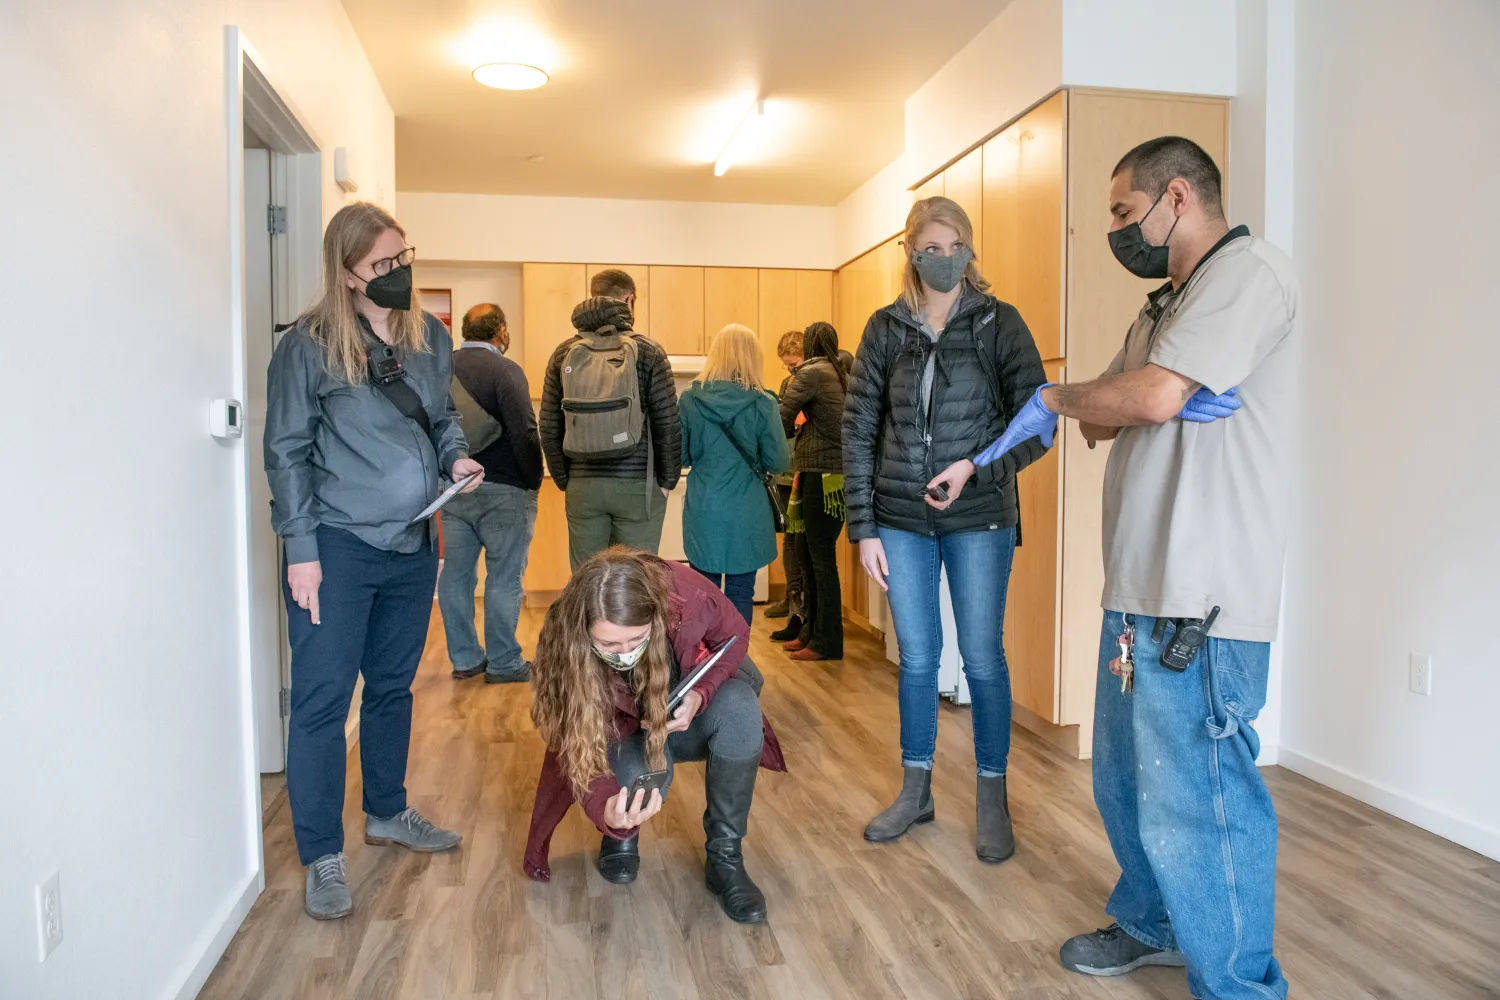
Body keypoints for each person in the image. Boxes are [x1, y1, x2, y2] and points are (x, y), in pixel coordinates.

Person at [974, 137, 1295, 999]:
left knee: (1204, 799)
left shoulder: (1247, 276)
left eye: (1124, 213)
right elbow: (1105, 420)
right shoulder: (1163, 308)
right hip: (1139, 588)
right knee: (1127, 784)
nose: (1117, 230)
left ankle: (1239, 984)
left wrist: (1080, 394)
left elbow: (1141, 399)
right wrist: (1101, 399)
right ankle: (1152, 924)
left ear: (1177, 197)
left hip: (1206, 595)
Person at [265, 202, 480, 920]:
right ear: (348, 273)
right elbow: (287, 454)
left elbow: (444, 416)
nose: (398, 274)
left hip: (414, 546)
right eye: (383, 265)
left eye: (402, 258)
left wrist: (455, 455)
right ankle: (323, 854)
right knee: (323, 704)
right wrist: (301, 553)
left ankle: (387, 811)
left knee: (392, 689)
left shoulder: (429, 338)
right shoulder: (307, 347)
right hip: (337, 549)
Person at [843, 196, 1049, 863]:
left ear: (969, 248)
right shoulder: (884, 329)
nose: (941, 257)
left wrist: (976, 467)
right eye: (927, 247)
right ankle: (916, 788)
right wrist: (863, 527)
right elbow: (859, 430)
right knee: (918, 659)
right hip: (899, 519)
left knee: (983, 656)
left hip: (979, 517)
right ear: (909, 252)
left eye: (951, 243)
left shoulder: (999, 324)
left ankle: (993, 796)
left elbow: (1036, 423)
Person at [521, 548, 786, 924]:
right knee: (629, 789)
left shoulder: (687, 594)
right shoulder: (563, 640)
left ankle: (725, 858)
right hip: (625, 732)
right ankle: (621, 835)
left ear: (655, 615)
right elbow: (575, 743)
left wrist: (701, 693)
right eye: (609, 645)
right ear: (584, 632)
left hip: (685, 716)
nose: (625, 654)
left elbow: (736, 635)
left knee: (742, 708)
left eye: (637, 639)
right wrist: (606, 809)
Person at [539, 277, 681, 568]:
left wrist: (566, 478)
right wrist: (666, 482)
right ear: (629, 299)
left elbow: (549, 425)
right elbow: (667, 424)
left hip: (583, 484)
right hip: (637, 484)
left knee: (586, 581)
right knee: (636, 580)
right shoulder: (649, 352)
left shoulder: (563, 354)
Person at [438, 302, 543, 684]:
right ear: (500, 331)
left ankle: (465, 659)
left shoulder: (441, 366)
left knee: (456, 575)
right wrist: (533, 479)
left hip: (455, 487)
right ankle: (503, 662)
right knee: (504, 577)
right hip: (504, 489)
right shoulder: (505, 370)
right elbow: (525, 431)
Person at [678, 324, 791, 624]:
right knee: (741, 590)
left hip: (704, 508)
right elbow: (779, 462)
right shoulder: (763, 403)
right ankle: (734, 662)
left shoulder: (690, 400)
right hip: (747, 510)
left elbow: (681, 457)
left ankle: (704, 663)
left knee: (703, 593)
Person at [778, 321, 848, 661]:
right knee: (812, 555)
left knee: (818, 560)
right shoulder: (840, 370)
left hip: (821, 475)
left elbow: (781, 416)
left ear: (808, 346)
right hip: (832, 476)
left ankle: (826, 641)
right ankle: (812, 634)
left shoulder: (811, 373)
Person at [764, 330, 806, 637]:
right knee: (788, 538)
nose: (790, 370)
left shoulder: (811, 381)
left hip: (802, 469)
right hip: (785, 470)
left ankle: (798, 603)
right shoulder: (788, 384)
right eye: (786, 365)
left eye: (793, 364)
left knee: (797, 540)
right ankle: (792, 596)